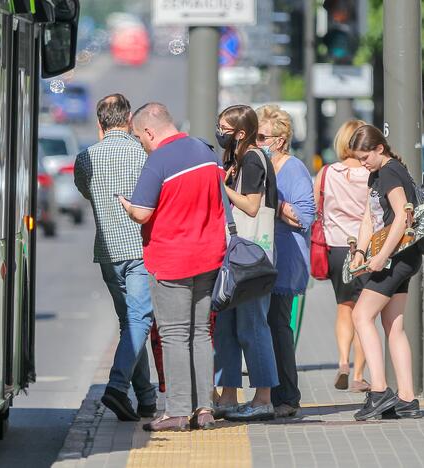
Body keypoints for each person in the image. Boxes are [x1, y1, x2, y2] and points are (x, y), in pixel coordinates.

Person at [118, 102, 226, 432]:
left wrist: (125, 203)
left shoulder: (159, 160)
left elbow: (143, 213)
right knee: (200, 333)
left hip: (172, 260)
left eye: (139, 137)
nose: (141, 143)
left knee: (175, 335)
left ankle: (178, 411)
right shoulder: (205, 151)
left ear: (149, 131)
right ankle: (205, 408)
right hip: (209, 256)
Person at [73, 94, 158, 421]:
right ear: (128, 121)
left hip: (108, 253)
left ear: (100, 124)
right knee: (139, 321)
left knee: (130, 323)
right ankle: (117, 387)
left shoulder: (85, 158)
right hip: (139, 250)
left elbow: (86, 190)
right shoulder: (142, 153)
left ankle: (146, 399)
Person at [348, 124, 422, 421]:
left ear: (380, 148)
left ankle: (379, 391)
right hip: (403, 257)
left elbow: (403, 218)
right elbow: (369, 216)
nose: (362, 163)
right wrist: (360, 251)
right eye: (358, 158)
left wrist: (381, 255)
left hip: (396, 256)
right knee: (394, 326)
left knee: (360, 316)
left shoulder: (390, 171)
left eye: (365, 157)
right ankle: (407, 399)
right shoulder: (377, 173)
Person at [213, 105, 279, 422]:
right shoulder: (235, 161)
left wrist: (221, 186)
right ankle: (227, 395)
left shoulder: (253, 159)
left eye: (224, 128)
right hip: (235, 256)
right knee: (226, 327)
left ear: (240, 133)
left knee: (252, 326)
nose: (219, 132)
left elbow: (252, 207)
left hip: (252, 257)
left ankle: (263, 397)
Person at [255, 104, 315, 418]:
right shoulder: (260, 166)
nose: (257, 141)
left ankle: (287, 397)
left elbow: (306, 217)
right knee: (263, 326)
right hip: (261, 258)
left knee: (278, 326)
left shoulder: (293, 169)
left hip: (286, 260)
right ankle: (269, 394)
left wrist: (271, 202)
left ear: (279, 140)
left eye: (261, 136)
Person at [314, 119, 370, 393]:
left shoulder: (327, 173)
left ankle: (342, 362)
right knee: (365, 313)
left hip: (336, 248)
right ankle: (359, 375)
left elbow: (316, 208)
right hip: (367, 249)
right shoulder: (372, 173)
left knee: (344, 308)